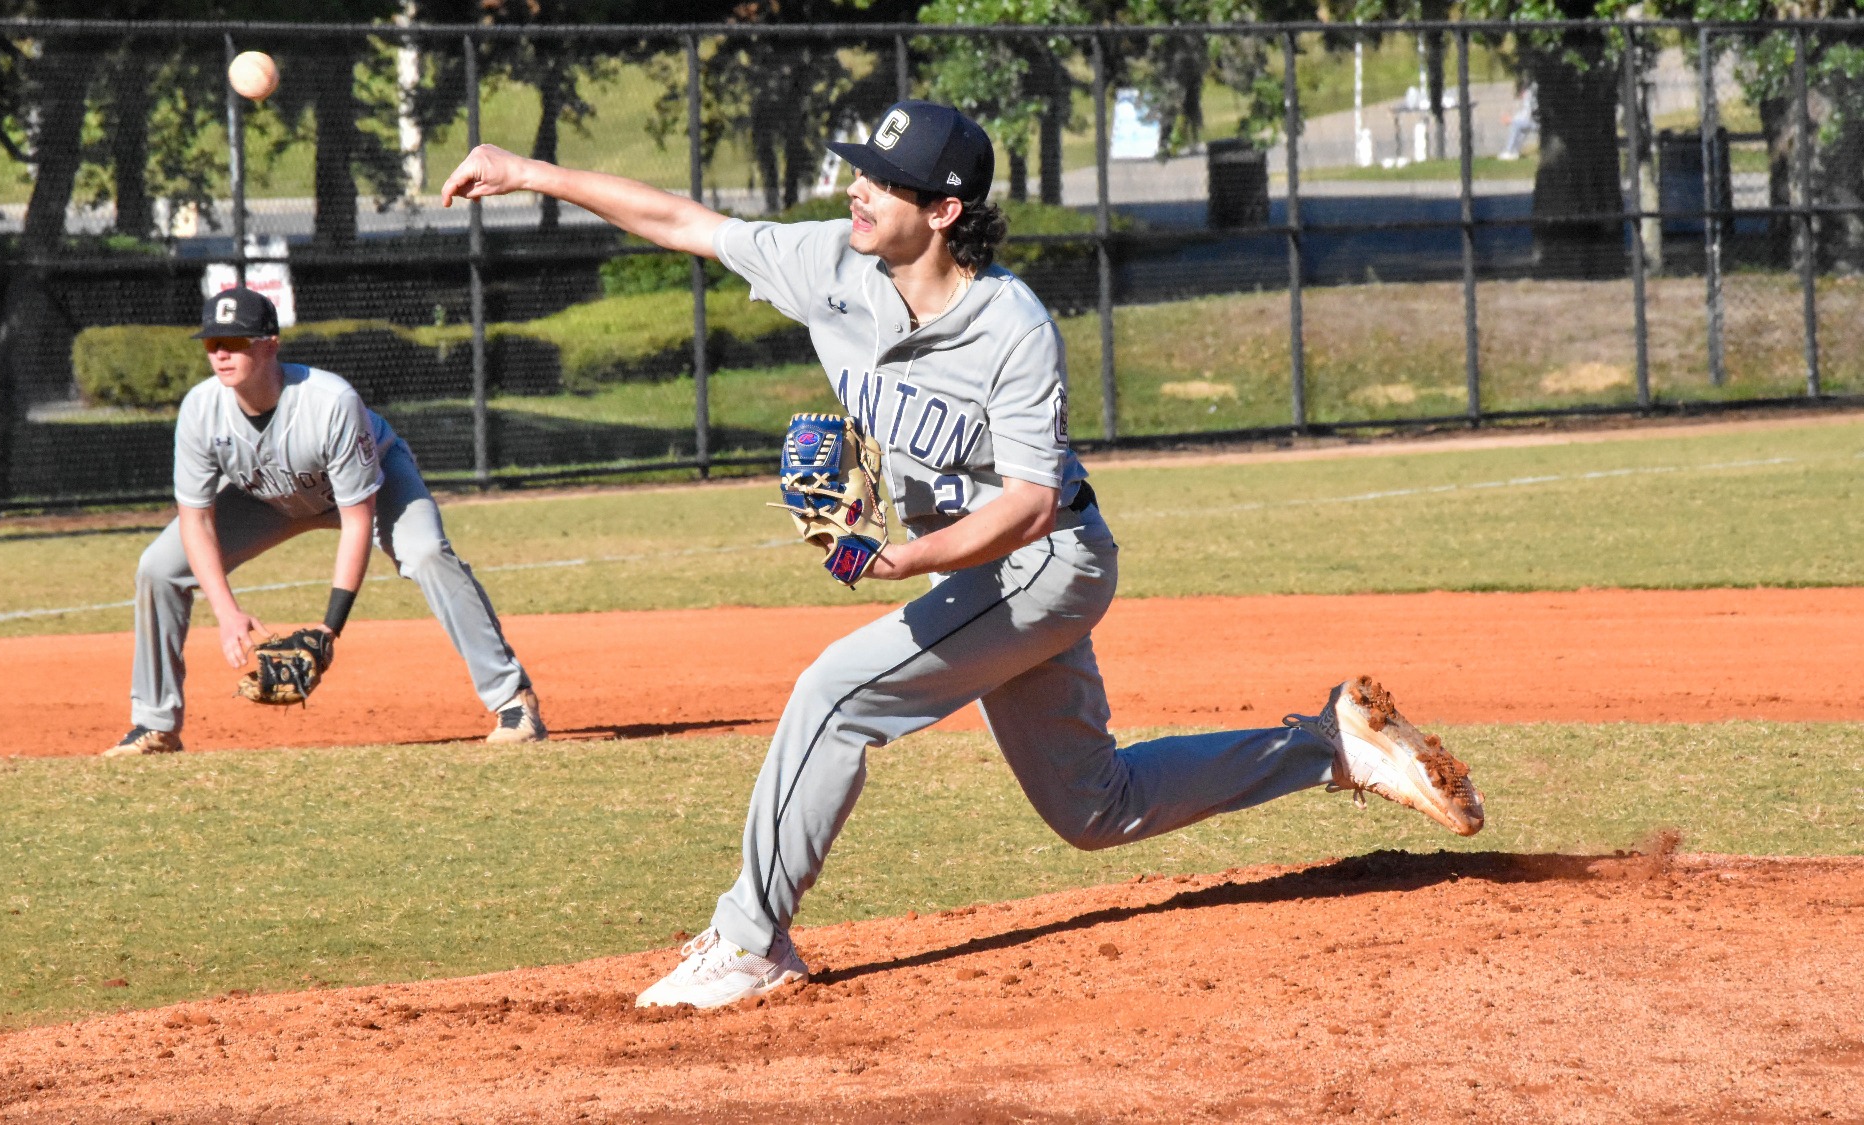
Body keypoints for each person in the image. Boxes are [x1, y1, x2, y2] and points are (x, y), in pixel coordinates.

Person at [440, 101, 1486, 1009]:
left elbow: (1030, 502)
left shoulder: (1010, 326)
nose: (856, 193)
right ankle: (1327, 747)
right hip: (981, 574)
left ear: (941, 212)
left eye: (883, 182)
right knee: (1093, 808)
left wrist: (905, 560)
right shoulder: (829, 266)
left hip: (1047, 563)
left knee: (833, 693)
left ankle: (749, 943)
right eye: (859, 171)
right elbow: (684, 220)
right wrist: (528, 171)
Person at [106, 286, 546, 756]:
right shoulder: (200, 408)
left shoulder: (329, 401)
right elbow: (196, 520)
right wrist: (227, 612)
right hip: (267, 498)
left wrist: (328, 628)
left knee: (427, 553)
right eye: (213, 344)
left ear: (270, 343)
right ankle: (154, 725)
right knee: (158, 568)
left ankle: (512, 700)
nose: (221, 354)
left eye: (235, 342)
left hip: (370, 486)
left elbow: (358, 520)